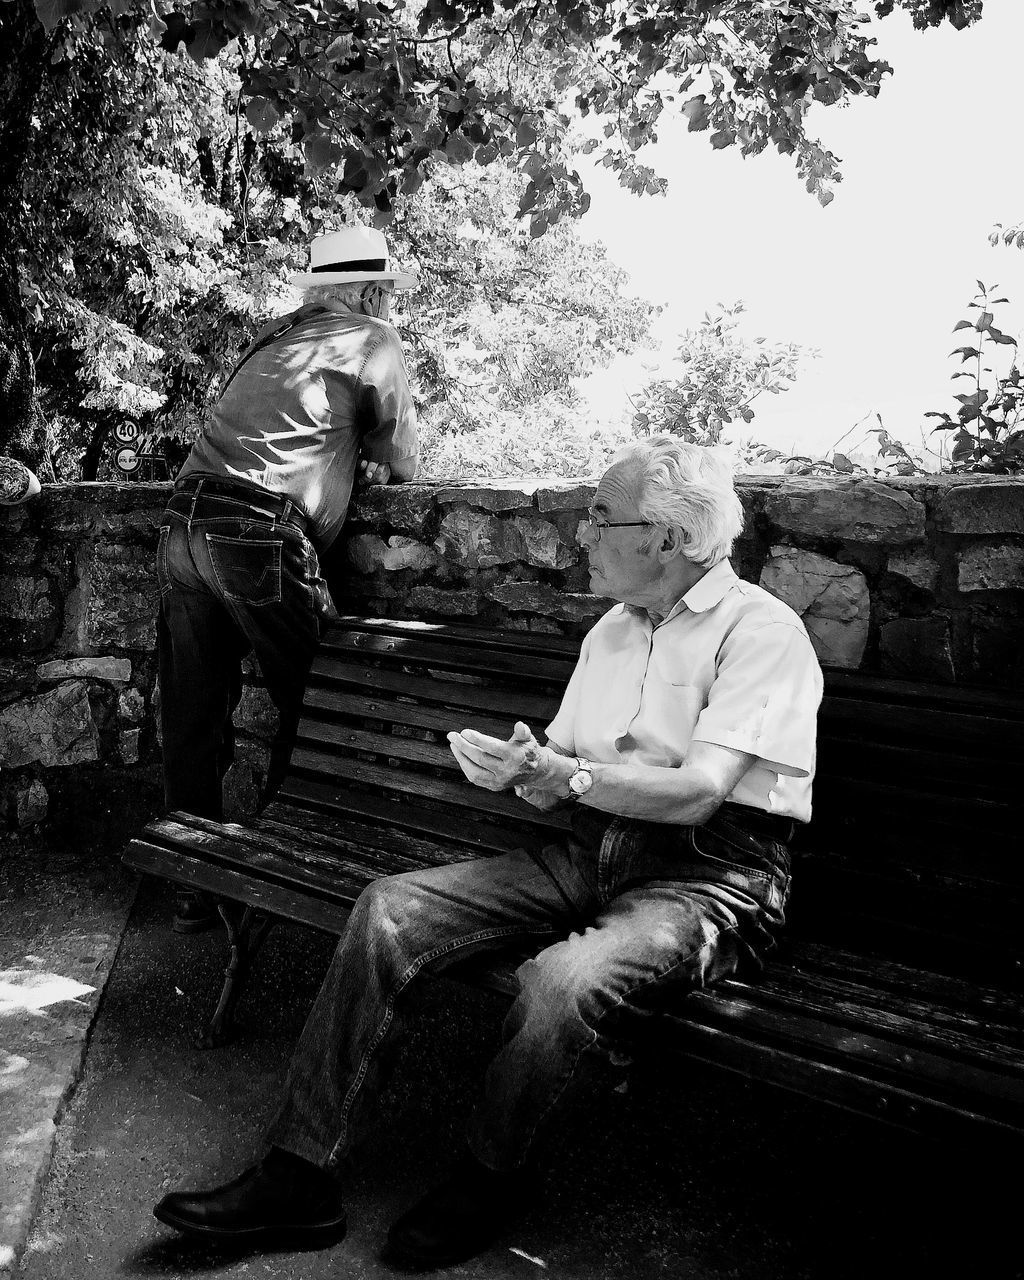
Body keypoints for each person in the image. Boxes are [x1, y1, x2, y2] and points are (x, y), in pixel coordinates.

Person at [153, 437, 824, 1265]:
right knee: (389, 909)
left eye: (598, 518)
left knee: (560, 982)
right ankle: (300, 1175)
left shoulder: (763, 630)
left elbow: (700, 789)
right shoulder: (614, 632)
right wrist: (522, 769)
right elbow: (570, 768)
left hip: (710, 878)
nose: (581, 535)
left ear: (667, 537)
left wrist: (566, 777)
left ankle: (490, 1174)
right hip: (588, 849)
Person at [157, 226, 419, 930]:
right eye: (382, 293)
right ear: (369, 292)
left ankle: (192, 884)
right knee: (316, 706)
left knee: (194, 713)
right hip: (255, 530)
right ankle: (279, 875)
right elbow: (406, 462)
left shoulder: (273, 336)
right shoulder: (371, 338)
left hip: (183, 520)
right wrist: (370, 456)